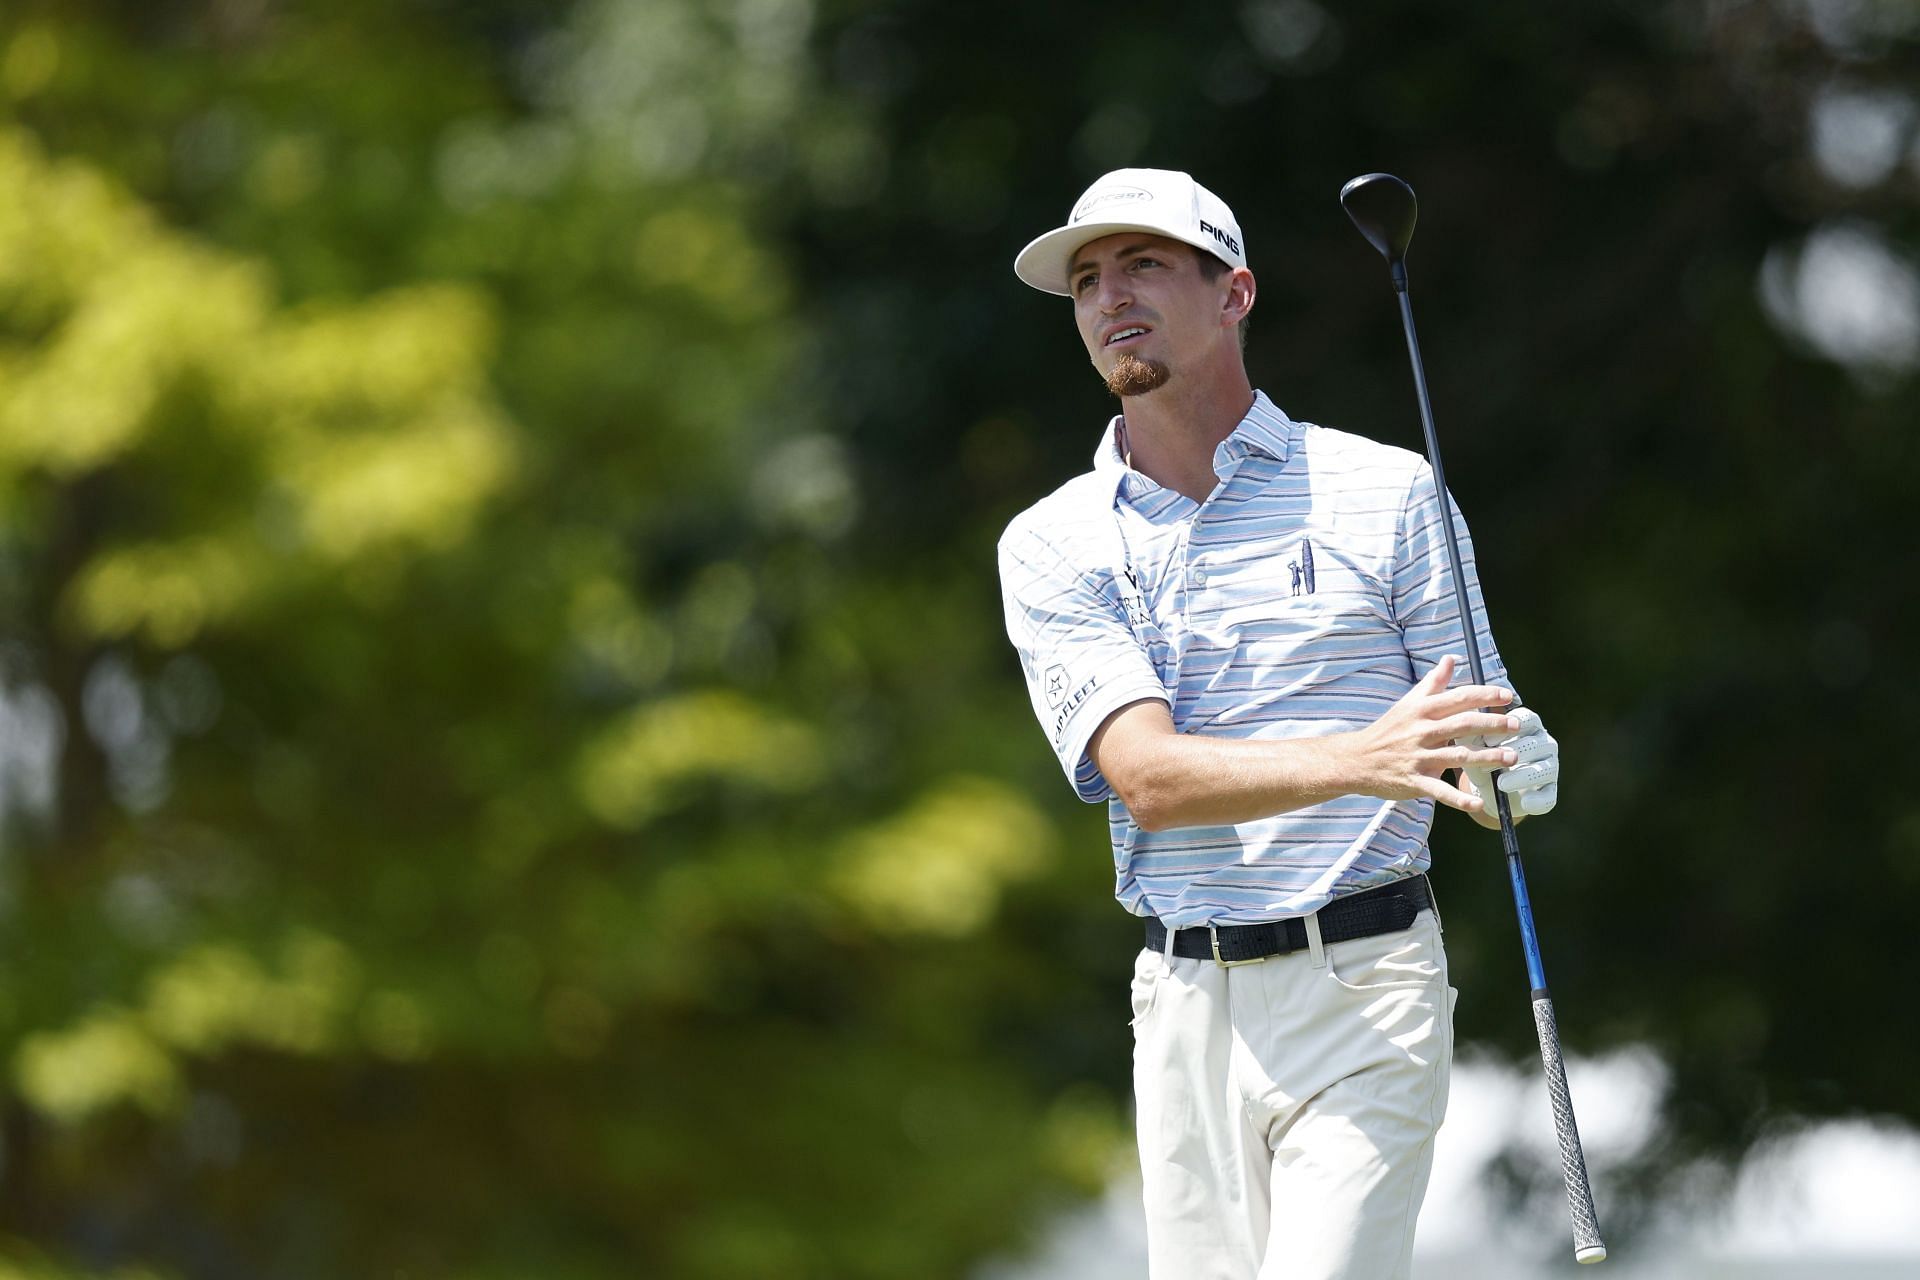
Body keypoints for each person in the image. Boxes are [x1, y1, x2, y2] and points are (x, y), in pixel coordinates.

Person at [996, 168, 1561, 1280]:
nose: (1111, 297)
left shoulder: (1386, 493)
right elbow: (1146, 776)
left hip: (1368, 982)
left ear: (1234, 293)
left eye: (1145, 264)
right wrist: (1370, 756)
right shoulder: (1053, 541)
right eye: (1089, 279)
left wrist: (1509, 763)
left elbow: (1467, 729)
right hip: (1184, 1004)